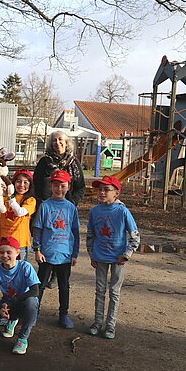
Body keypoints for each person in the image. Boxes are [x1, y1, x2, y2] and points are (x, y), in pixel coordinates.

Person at [86, 175, 140, 339]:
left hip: (118, 259)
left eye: (106, 190)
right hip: (100, 257)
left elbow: (135, 236)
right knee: (99, 291)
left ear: (116, 193)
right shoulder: (94, 211)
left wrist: (127, 255)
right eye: (100, 189)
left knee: (114, 292)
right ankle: (97, 322)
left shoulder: (122, 211)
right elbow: (90, 234)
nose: (102, 192)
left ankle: (110, 326)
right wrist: (91, 254)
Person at [32, 170, 80, 329]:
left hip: (65, 255)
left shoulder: (71, 207)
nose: (59, 189)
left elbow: (75, 231)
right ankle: (34, 311)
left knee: (64, 286)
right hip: (47, 254)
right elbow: (37, 229)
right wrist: (37, 250)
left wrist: (75, 253)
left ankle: (63, 314)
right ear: (50, 186)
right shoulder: (45, 206)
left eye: (62, 185)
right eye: (56, 185)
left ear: (68, 186)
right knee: (40, 285)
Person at [0, 237, 41, 355]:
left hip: (23, 302)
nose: (5, 255)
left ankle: (22, 338)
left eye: (9, 252)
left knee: (32, 302)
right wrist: (0, 309)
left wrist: (14, 301)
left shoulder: (25, 267)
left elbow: (35, 291)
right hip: (7, 303)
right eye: (1, 252)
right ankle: (10, 320)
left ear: (17, 252)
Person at [34, 130, 85, 205]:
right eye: (54, 140)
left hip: (67, 205)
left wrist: (72, 202)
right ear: (51, 144)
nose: (57, 142)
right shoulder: (44, 161)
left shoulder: (74, 162)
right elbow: (36, 184)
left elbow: (80, 187)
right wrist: (41, 202)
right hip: (46, 205)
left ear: (66, 143)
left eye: (60, 139)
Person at [0, 168, 36, 260]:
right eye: (18, 181)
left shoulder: (30, 200)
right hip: (4, 241)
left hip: (20, 243)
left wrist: (10, 197)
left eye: (25, 182)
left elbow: (20, 212)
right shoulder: (5, 197)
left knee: (19, 269)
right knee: (4, 269)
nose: (21, 185)